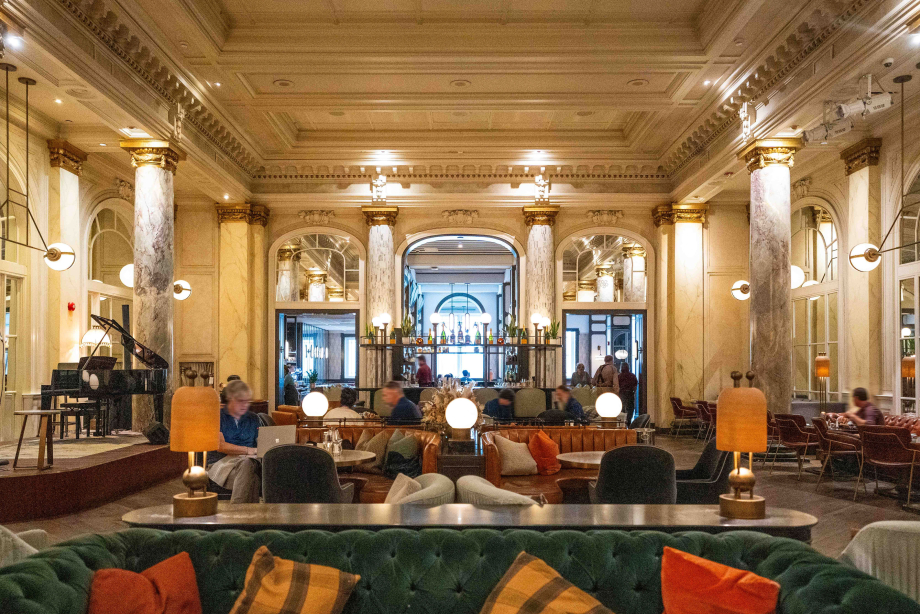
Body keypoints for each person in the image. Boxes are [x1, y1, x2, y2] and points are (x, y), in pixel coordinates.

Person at [207, 380, 261, 503]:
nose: (244, 405)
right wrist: (249, 450)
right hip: (222, 463)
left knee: (251, 466)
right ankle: (238, 510)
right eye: (240, 401)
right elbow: (220, 446)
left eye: (247, 401)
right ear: (230, 400)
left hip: (250, 461)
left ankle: (242, 514)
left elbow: (261, 442)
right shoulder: (217, 417)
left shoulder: (253, 418)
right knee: (252, 475)